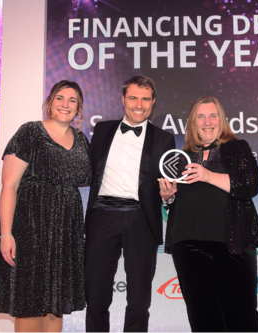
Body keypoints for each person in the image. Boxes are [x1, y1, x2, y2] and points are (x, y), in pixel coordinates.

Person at [0, 80, 92, 333]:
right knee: (29, 300)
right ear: (49, 102)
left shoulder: (81, 140)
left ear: (79, 107)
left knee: (56, 302)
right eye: (60, 98)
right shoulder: (30, 132)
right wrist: (6, 233)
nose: (65, 104)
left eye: (72, 100)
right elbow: (10, 187)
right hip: (30, 225)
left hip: (65, 229)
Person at [160, 96, 258, 333]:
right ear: (193, 123)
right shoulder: (180, 156)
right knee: (203, 319)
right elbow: (175, 205)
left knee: (241, 317)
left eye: (213, 115)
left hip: (232, 243)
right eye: (201, 116)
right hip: (188, 245)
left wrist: (208, 176)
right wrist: (168, 197)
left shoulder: (237, 148)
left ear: (222, 120)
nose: (207, 122)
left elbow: (250, 185)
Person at [84, 75, 175, 333]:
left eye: (145, 99)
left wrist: (168, 196)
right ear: (123, 99)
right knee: (96, 294)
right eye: (133, 97)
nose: (139, 104)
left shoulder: (163, 139)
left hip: (141, 220)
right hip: (102, 216)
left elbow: (166, 186)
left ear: (153, 102)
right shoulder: (102, 130)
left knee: (139, 298)